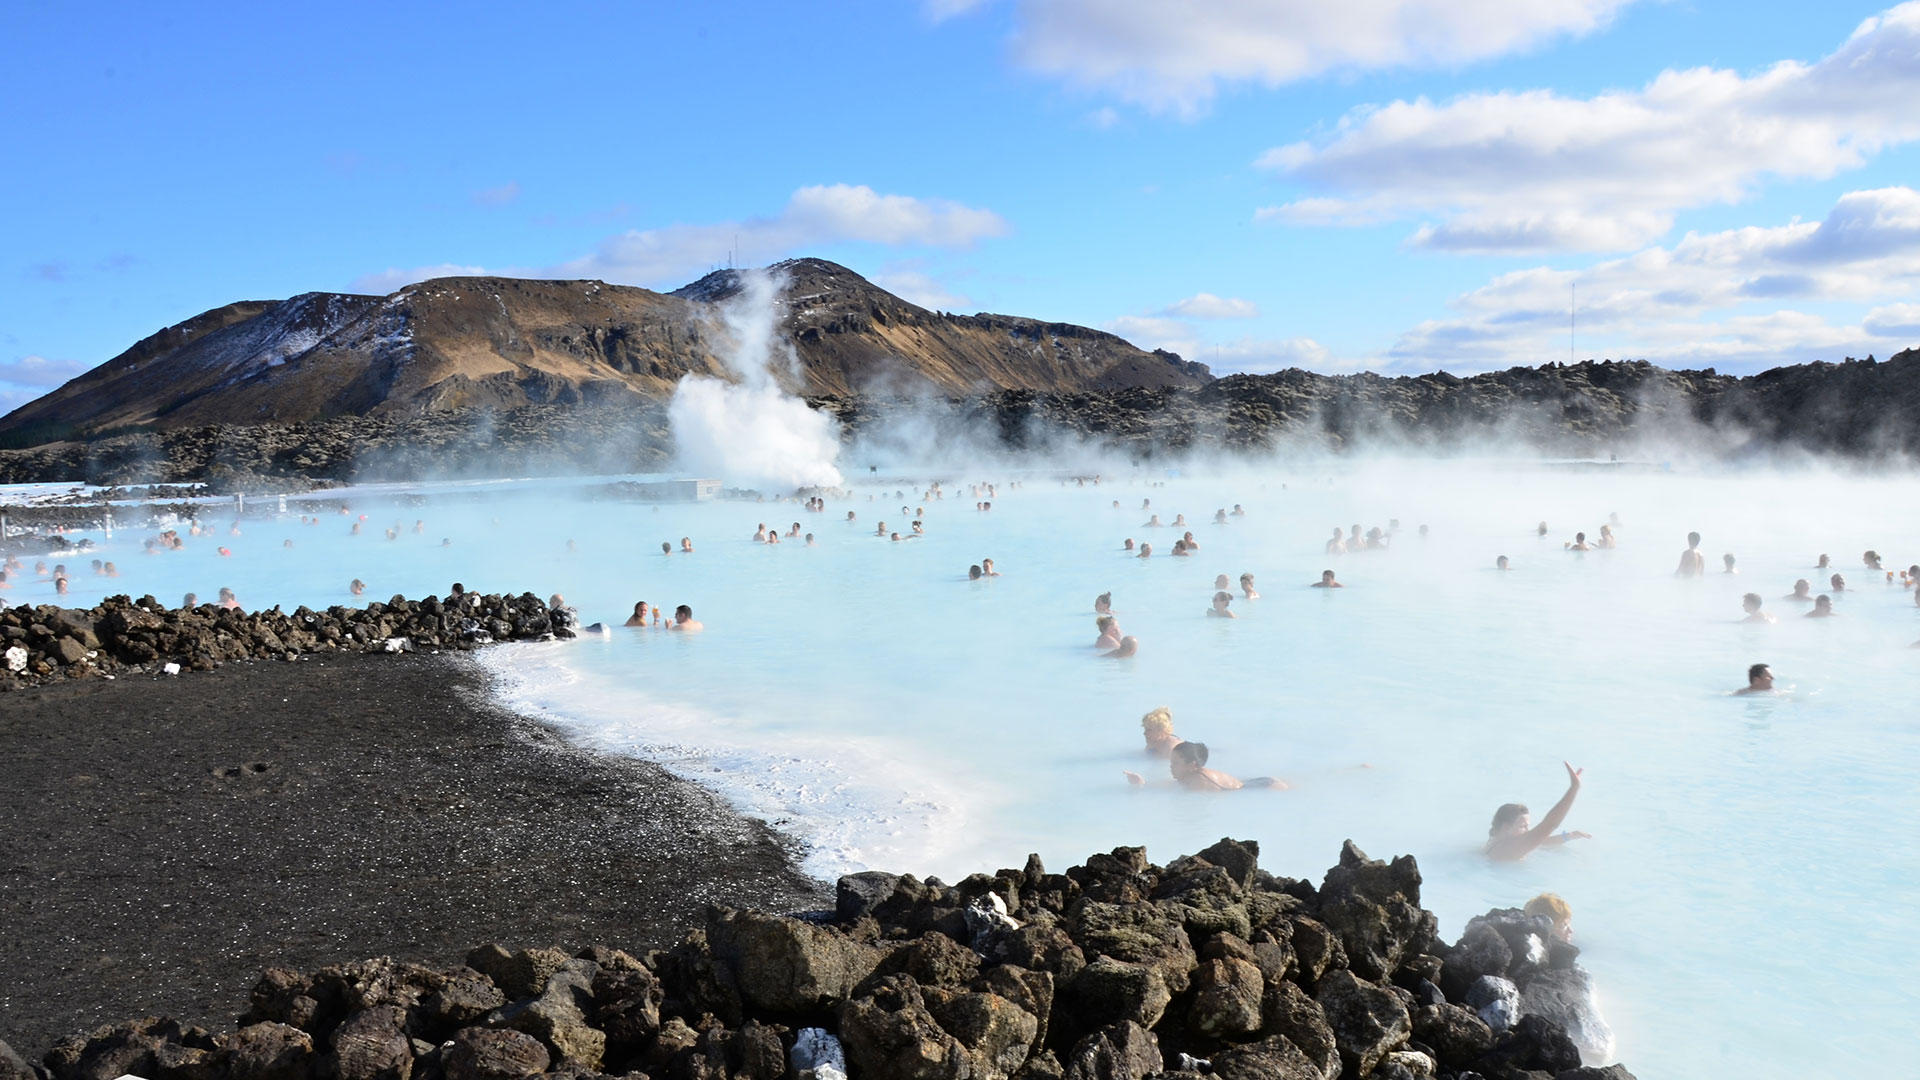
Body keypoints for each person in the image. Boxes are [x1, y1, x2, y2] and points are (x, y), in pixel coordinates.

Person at [1486, 762, 1589, 861]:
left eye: (1527, 826)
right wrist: (1574, 789)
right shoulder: (1506, 850)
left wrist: (1568, 836)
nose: (1527, 830)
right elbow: (1549, 825)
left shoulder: (1498, 842)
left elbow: (1541, 840)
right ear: (1506, 827)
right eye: (1522, 826)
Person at [1126, 741, 1286, 791]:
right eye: (1170, 762)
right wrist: (1143, 784)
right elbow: (1173, 785)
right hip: (1256, 783)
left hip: (1266, 787)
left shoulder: (1199, 781)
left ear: (1192, 765)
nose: (1171, 767)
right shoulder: (1192, 775)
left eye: (1175, 763)